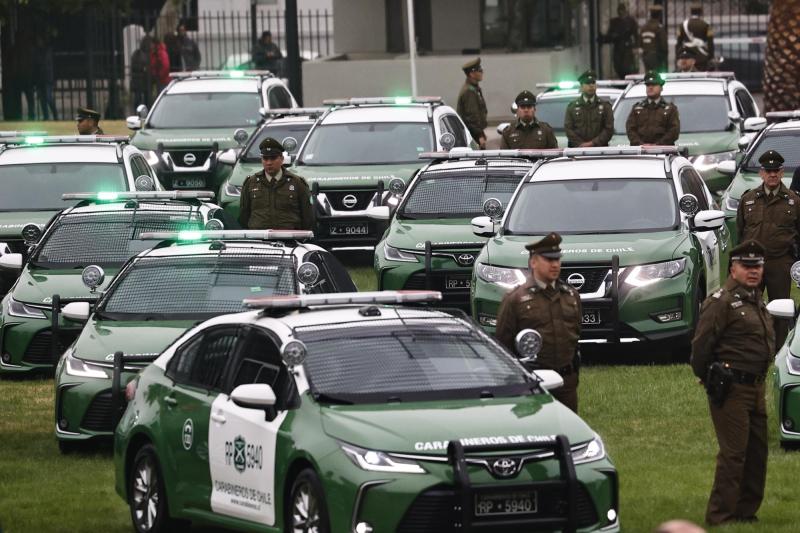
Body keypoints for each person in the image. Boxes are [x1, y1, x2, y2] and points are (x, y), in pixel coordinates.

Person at [691, 239, 773, 526]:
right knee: (734, 454)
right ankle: (720, 515)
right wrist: (709, 377)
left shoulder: (755, 299)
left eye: (757, 266)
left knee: (757, 453)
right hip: (731, 388)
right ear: (733, 268)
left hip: (756, 386)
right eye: (747, 266)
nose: (753, 271)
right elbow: (701, 347)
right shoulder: (721, 302)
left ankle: (745, 512)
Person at [495, 232, 582, 413]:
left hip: (566, 384)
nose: (555, 264)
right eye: (549, 259)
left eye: (557, 259)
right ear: (533, 262)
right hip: (533, 384)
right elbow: (503, 345)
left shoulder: (570, 295)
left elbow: (575, 336)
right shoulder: (516, 299)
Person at [735, 150, 800, 348]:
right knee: (749, 308)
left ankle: (778, 350)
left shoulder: (794, 201)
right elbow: (740, 233)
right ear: (761, 173)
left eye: (776, 171)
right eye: (768, 171)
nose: (772, 175)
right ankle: (752, 349)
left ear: (782, 172)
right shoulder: (748, 200)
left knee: (780, 309)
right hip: (752, 262)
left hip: (780, 262)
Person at [239, 137, 313, 231]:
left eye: (273, 158)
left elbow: (307, 217)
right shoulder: (251, 183)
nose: (269, 163)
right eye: (265, 158)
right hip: (259, 237)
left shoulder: (296, 183)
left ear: (282, 159)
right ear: (261, 160)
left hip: (289, 237)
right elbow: (244, 216)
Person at [625, 70, 680, 146]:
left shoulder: (670, 109)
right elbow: (630, 129)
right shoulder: (637, 109)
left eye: (654, 85)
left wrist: (658, 145)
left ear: (661, 88)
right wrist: (641, 145)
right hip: (640, 150)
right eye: (648, 85)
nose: (650, 87)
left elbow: (674, 131)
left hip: (664, 150)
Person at [564, 69, 614, 148]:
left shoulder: (605, 106)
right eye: (587, 83)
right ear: (581, 87)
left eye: (593, 83)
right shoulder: (572, 107)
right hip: (577, 150)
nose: (591, 86)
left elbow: (609, 129)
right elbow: (568, 129)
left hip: (599, 149)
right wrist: (580, 144)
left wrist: (593, 143)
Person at [599, 3, 639, 79]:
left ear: (625, 11)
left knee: (627, 67)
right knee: (618, 66)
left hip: (627, 47)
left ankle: (626, 78)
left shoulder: (631, 21)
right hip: (618, 46)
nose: (621, 12)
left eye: (622, 10)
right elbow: (610, 35)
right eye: (620, 11)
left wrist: (635, 46)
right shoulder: (614, 22)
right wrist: (608, 38)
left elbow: (636, 35)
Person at [457, 57, 488, 148]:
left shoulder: (474, 89)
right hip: (472, 135)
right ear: (471, 74)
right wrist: (479, 135)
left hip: (472, 133)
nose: (482, 72)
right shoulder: (469, 91)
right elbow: (472, 117)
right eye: (479, 70)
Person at [677, 3, 715, 70]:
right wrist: (710, 56)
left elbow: (679, 42)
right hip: (702, 56)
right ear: (700, 12)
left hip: (686, 56)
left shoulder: (682, 25)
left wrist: (678, 56)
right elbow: (710, 42)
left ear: (691, 12)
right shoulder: (706, 25)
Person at [33, 36, 57, 120]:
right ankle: (47, 116)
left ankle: (54, 115)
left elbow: (43, 62)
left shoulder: (47, 51)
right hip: (41, 78)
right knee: (43, 99)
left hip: (46, 78)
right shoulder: (38, 51)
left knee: (47, 97)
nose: (38, 42)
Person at [640, 5, 668, 73]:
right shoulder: (659, 28)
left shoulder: (644, 27)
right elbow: (663, 44)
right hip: (656, 56)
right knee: (658, 75)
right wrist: (664, 56)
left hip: (645, 55)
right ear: (659, 15)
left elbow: (640, 42)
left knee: (648, 74)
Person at [130, 36, 153, 109]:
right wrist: (143, 69)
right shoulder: (139, 54)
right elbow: (135, 66)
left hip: (143, 80)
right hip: (140, 79)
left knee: (144, 98)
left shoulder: (146, 53)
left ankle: (142, 110)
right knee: (140, 98)